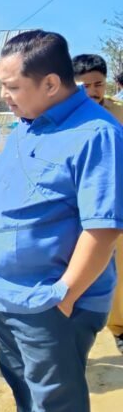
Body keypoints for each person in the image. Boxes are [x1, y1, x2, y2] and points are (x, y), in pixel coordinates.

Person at [0, 31, 123, 412]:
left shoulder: (96, 135)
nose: (3, 96)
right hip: (9, 296)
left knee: (56, 411)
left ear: (51, 83)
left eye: (12, 87)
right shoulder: (28, 124)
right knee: (27, 399)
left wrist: (65, 295)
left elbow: (103, 228)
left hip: (49, 303)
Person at [73, 53, 123, 355]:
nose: (93, 91)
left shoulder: (119, 113)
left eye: (98, 84)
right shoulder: (65, 114)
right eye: (85, 86)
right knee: (77, 265)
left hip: (115, 201)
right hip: (76, 204)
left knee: (118, 265)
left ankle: (118, 327)